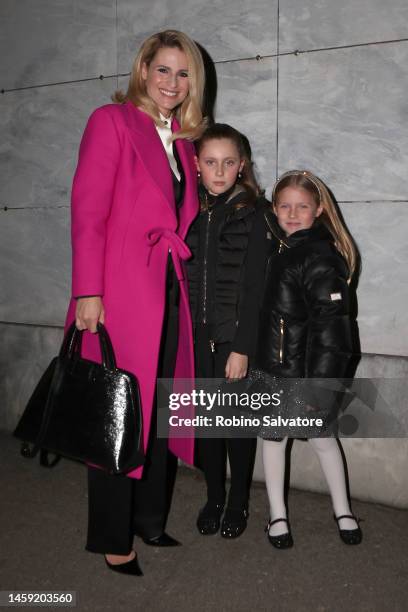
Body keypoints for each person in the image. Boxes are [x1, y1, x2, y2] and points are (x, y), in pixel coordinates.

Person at [64, 30, 207, 575]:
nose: (172, 82)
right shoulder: (112, 120)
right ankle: (111, 535)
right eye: (163, 69)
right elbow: (87, 210)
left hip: (168, 291)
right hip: (119, 294)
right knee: (116, 416)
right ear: (143, 69)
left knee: (163, 412)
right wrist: (88, 292)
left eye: (184, 72)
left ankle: (150, 518)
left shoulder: (185, 143)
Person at [254, 170, 362, 549]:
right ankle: (277, 515)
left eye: (302, 206)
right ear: (274, 208)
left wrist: (320, 386)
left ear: (318, 210)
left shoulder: (318, 255)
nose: (293, 212)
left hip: (305, 375)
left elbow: (333, 332)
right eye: (284, 205)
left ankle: (343, 510)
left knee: (323, 439)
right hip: (275, 369)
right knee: (273, 439)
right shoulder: (280, 249)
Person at [186, 123, 269, 538]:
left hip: (233, 342)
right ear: (197, 165)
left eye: (229, 162)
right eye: (210, 162)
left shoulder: (255, 213)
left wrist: (242, 347)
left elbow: (256, 290)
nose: (219, 171)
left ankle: (238, 502)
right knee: (207, 427)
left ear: (242, 166)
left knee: (236, 425)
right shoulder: (189, 211)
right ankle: (214, 496)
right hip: (195, 338)